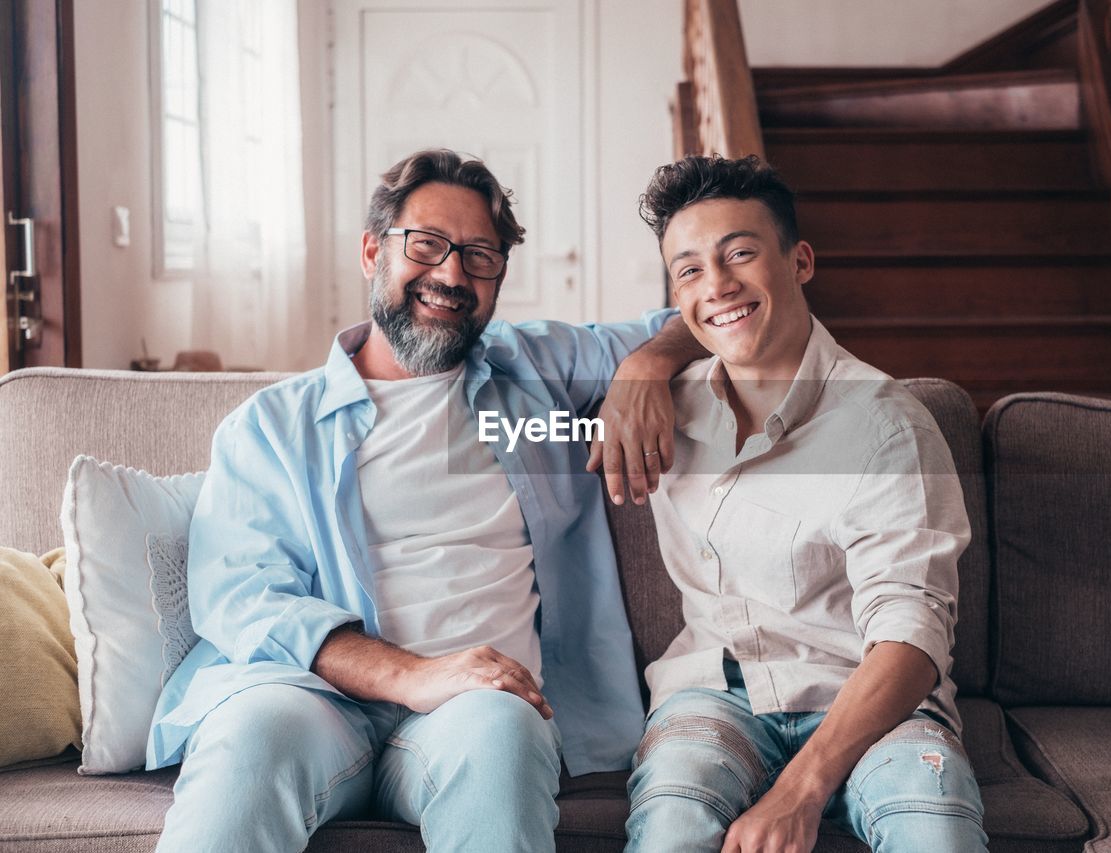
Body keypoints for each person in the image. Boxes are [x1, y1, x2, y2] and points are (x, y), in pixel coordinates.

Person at [146, 149, 702, 853]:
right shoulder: (270, 427)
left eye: (479, 256)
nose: (451, 274)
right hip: (312, 702)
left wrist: (649, 364)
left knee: (503, 733)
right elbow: (246, 599)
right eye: (428, 245)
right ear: (373, 250)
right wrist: (413, 675)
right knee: (249, 739)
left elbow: (699, 312)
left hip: (476, 712)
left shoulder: (533, 372)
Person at [625, 154, 988, 852]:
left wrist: (799, 788)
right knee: (672, 816)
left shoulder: (887, 426)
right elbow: (521, 406)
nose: (718, 284)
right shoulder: (662, 408)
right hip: (714, 693)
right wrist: (639, 365)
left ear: (800, 261)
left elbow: (912, 635)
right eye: (690, 269)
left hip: (871, 699)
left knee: (932, 821)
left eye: (740, 253)